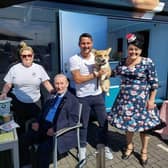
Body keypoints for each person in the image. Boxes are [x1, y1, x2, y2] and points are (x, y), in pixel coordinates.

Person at [109, 32, 161, 166]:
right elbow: (113, 73)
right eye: (131, 49)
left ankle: (144, 151)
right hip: (125, 100)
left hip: (142, 101)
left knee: (144, 128)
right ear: (128, 49)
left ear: (140, 50)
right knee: (129, 126)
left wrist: (151, 100)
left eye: (136, 49)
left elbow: (154, 83)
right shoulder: (122, 61)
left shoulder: (147, 62)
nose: (133, 51)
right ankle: (129, 147)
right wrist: (101, 67)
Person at [19, 74, 80, 168]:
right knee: (23, 139)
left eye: (62, 83)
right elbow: (43, 112)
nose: (59, 86)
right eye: (57, 84)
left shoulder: (73, 100)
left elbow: (73, 120)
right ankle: (27, 164)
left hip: (58, 131)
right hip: (43, 127)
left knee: (43, 149)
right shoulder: (51, 96)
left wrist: (55, 128)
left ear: (67, 84)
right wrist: (37, 122)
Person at [69, 33, 113, 162]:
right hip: (82, 97)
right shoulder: (74, 59)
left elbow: (108, 71)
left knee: (103, 122)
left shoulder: (97, 56)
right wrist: (96, 74)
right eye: (83, 43)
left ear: (92, 44)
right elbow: (77, 79)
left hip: (98, 95)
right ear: (79, 44)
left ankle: (104, 146)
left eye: (88, 43)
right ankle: (82, 148)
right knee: (83, 124)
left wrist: (107, 72)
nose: (86, 46)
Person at [0, 41, 54, 136]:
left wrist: (54, 93)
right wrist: (4, 93)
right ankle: (21, 145)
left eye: (29, 55)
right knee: (20, 125)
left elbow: (46, 83)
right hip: (19, 102)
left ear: (33, 56)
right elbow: (8, 84)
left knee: (36, 125)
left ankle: (34, 142)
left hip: (35, 101)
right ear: (21, 57)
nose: (27, 58)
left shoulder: (39, 68)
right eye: (24, 56)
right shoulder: (14, 69)